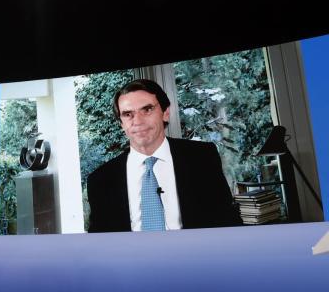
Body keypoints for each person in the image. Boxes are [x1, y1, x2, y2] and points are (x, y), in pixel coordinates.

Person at [87, 79, 242, 233]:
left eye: (147, 110)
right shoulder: (100, 180)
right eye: (128, 114)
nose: (138, 121)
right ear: (121, 123)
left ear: (165, 113)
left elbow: (227, 219)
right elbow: (100, 240)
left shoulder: (202, 158)